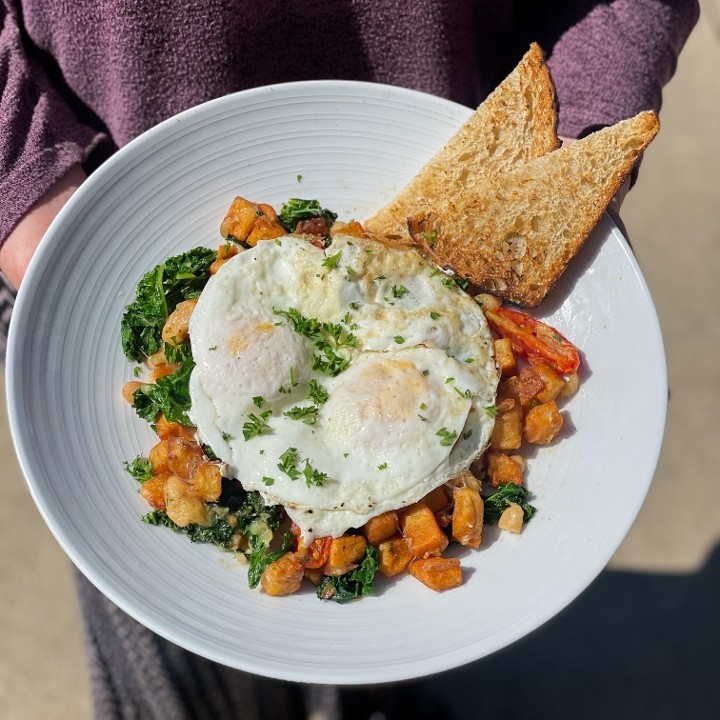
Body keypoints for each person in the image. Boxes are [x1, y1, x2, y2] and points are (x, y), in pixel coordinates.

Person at [0, 1, 699, 718]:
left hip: (463, 138)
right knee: (178, 686)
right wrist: (22, 184)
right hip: (81, 179)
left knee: (377, 677)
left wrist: (564, 163)